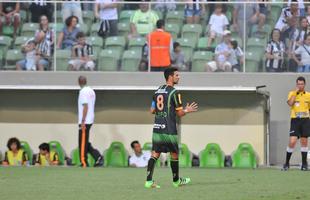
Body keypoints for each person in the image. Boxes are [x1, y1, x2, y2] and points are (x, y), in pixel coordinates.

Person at [145, 67, 198, 189]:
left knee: (155, 153)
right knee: (174, 154)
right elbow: (179, 113)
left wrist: (162, 111)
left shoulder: (158, 90)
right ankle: (176, 181)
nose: (179, 77)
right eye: (177, 75)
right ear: (170, 77)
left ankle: (148, 181)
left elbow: (152, 110)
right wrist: (187, 110)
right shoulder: (175, 92)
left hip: (157, 127)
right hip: (169, 128)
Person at [282, 76, 310, 171]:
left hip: (305, 120)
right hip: (295, 120)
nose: (300, 86)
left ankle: (304, 164)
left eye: (302, 84)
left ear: (304, 84)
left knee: (304, 142)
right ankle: (286, 163)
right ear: (296, 84)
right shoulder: (292, 93)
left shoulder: (308, 95)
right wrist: (295, 92)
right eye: (298, 84)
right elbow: (290, 103)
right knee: (292, 141)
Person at [77, 76, 103, 167]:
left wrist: (83, 121)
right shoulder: (91, 91)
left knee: (82, 142)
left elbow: (85, 106)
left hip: (85, 120)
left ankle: (84, 162)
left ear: (79, 82)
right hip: (90, 119)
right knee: (85, 141)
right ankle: (98, 157)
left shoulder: (82, 92)